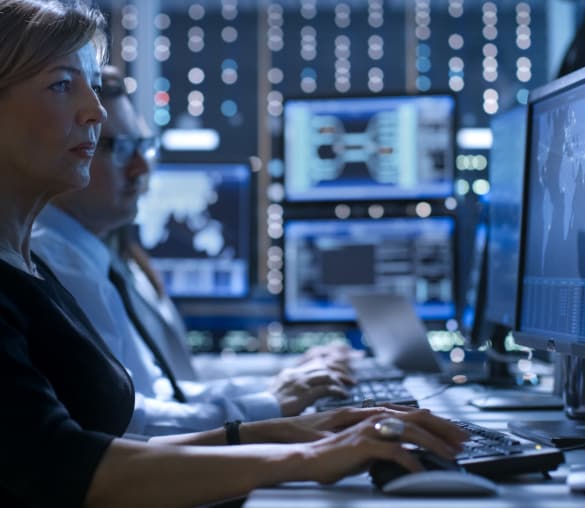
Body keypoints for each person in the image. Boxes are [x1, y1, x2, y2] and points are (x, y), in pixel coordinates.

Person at [0, 1, 467, 506]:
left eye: (90, 85)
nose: (95, 111)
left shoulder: (31, 270)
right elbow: (64, 468)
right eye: (63, 84)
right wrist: (304, 453)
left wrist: (307, 431)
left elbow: (106, 449)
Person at [31, 64, 358, 436]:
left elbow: (166, 386)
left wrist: (278, 385)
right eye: (118, 148)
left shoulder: (101, 258)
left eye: (142, 146)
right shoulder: (55, 266)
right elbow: (128, 421)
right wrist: (271, 402)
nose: (142, 169)